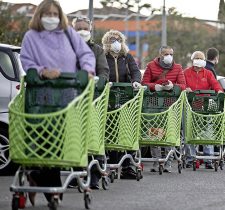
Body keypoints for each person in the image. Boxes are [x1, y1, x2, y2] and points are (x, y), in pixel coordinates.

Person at [20, 0, 95, 206]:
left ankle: (38, 178)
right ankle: (48, 186)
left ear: (60, 15)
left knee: (61, 139)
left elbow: (85, 54)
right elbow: (26, 61)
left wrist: (88, 71)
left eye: (55, 13)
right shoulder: (31, 37)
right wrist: (43, 70)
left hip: (66, 95)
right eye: (47, 13)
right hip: (41, 96)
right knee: (44, 138)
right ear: (39, 15)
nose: (51, 17)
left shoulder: (68, 34)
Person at [73, 16, 109, 188]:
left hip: (92, 99)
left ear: (90, 30)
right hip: (71, 99)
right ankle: (75, 172)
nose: (82, 31)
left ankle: (94, 174)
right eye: (78, 28)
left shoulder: (97, 50)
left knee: (92, 136)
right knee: (73, 136)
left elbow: (103, 71)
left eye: (84, 28)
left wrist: (99, 81)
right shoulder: (67, 48)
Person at [101, 30, 142, 179]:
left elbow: (136, 71)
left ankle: (127, 166)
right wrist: (105, 83)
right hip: (109, 98)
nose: (115, 42)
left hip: (125, 97)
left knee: (126, 130)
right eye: (112, 39)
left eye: (118, 39)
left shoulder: (127, 57)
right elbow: (101, 72)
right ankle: (112, 163)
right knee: (111, 129)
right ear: (106, 42)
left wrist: (136, 81)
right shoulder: (103, 57)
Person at [142, 46, 186, 173]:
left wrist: (173, 86)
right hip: (154, 105)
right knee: (156, 132)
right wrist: (155, 87)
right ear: (160, 55)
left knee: (170, 133)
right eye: (166, 54)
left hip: (171, 104)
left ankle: (168, 162)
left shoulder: (177, 68)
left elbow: (183, 86)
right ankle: (157, 161)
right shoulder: (151, 66)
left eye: (171, 54)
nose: (169, 56)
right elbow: (144, 83)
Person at [183, 51, 223, 169]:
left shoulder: (208, 73)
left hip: (204, 106)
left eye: (201, 58)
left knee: (207, 131)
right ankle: (190, 158)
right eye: (197, 58)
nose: (199, 60)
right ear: (192, 59)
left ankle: (208, 159)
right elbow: (180, 84)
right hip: (190, 105)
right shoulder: (185, 72)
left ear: (204, 60)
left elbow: (215, 85)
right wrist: (186, 89)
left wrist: (219, 91)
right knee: (189, 131)